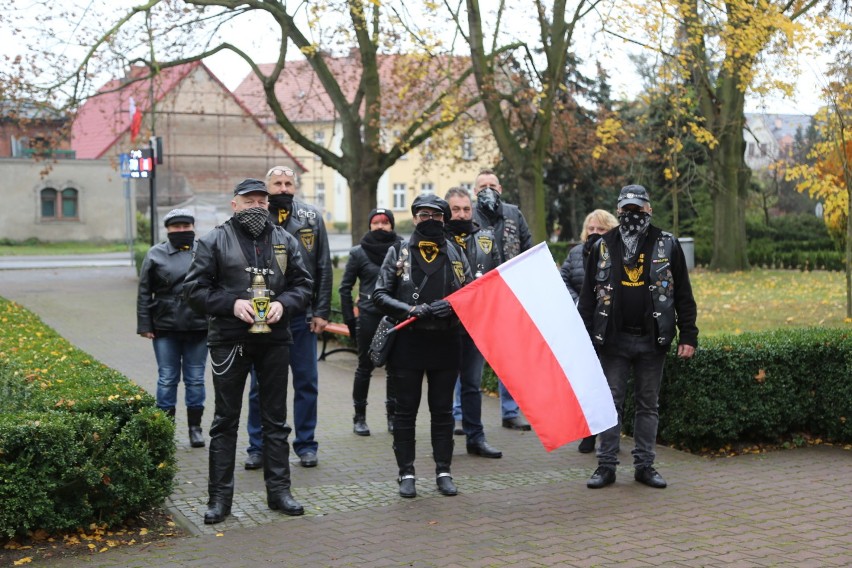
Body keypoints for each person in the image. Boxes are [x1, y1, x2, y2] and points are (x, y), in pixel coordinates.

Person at [184, 178, 314, 524]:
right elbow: (194, 291)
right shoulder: (213, 240)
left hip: (275, 340)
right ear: (234, 204)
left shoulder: (285, 240)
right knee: (225, 421)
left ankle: (279, 492)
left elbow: (304, 285)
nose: (257, 206)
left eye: (262, 201)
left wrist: (285, 304)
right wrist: (231, 304)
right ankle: (219, 499)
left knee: (276, 420)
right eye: (249, 200)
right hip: (229, 340)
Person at [578, 184, 698, 490]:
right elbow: (588, 298)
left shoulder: (667, 244)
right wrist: (584, 338)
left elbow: (684, 294)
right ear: (618, 210)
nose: (632, 214)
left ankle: (645, 465)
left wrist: (689, 336)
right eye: (626, 209)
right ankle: (606, 466)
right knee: (610, 404)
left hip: (652, 339)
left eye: (638, 209)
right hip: (612, 340)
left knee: (648, 404)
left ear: (649, 209)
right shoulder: (602, 246)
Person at [372, 194, 472, 498]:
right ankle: (407, 472)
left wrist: (451, 306)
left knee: (443, 412)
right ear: (414, 217)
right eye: (423, 214)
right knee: (406, 412)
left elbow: (470, 293)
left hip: (446, 341)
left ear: (444, 219)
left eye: (436, 215)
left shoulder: (456, 253)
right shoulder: (398, 252)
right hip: (408, 342)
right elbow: (379, 294)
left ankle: (444, 471)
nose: (430, 220)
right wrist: (408, 310)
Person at [244, 166, 332, 470]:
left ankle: (306, 444)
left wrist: (321, 311)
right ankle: (257, 446)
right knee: (260, 385)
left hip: (302, 317)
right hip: (264, 316)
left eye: (288, 183)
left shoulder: (310, 218)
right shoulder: (254, 217)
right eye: (277, 183)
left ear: (295, 186)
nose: (283, 188)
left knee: (307, 383)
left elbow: (323, 266)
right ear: (267, 189)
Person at [136, 208, 208, 448]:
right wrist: (145, 324)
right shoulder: (155, 254)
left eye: (186, 226)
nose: (182, 231)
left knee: (196, 379)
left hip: (199, 325)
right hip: (165, 326)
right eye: (176, 227)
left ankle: (195, 429)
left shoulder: (204, 250)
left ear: (192, 227)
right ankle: (164, 430)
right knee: (167, 378)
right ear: (167, 229)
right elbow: (145, 291)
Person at [472, 168, 534, 431]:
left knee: (509, 358)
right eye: (483, 186)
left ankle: (510, 412)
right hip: (477, 298)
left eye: (493, 185)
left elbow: (528, 246)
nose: (489, 189)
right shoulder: (468, 214)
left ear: (501, 188)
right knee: (469, 357)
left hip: (509, 296)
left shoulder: (513, 213)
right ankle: (461, 414)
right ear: (475, 193)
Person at [444, 187, 502, 458]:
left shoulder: (486, 239)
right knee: (442, 386)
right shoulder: (436, 239)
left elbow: (497, 280)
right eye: (456, 209)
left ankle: (475, 438)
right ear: (447, 211)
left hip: (475, 325)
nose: (462, 214)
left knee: (471, 384)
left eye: (466, 209)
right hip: (443, 326)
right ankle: (442, 440)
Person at [559, 208, 619, 453]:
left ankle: (611, 435)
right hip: (583, 327)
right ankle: (588, 434)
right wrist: (578, 300)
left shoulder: (619, 252)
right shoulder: (575, 254)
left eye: (601, 229)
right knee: (587, 383)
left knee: (610, 384)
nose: (595, 233)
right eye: (591, 229)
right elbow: (563, 280)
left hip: (611, 327)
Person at [339, 208, 403, 436]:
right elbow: (344, 288)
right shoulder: (358, 253)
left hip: (394, 315)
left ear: (392, 225)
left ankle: (393, 417)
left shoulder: (402, 249)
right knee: (364, 367)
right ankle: (360, 418)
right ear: (369, 225)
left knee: (394, 369)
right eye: (375, 222)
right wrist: (349, 319)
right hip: (367, 315)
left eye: (385, 222)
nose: (380, 226)